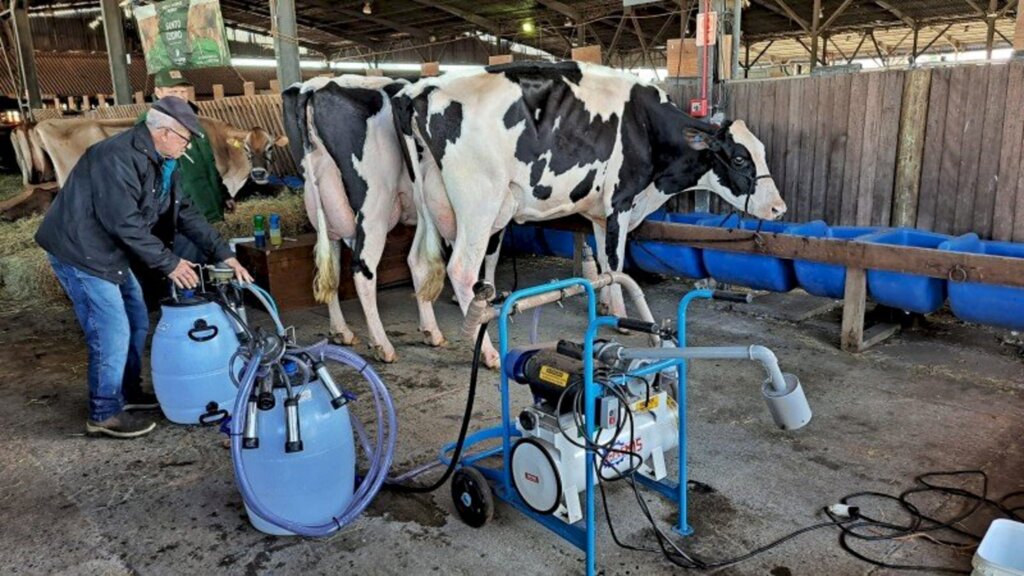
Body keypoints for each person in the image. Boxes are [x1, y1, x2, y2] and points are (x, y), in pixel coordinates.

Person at [35, 96, 254, 439]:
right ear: (164, 132)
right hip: (81, 252)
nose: (187, 145)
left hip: (110, 251)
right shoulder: (116, 157)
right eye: (185, 137)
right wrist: (169, 263)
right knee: (111, 330)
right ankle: (103, 412)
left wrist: (223, 253)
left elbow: (186, 213)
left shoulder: (166, 162)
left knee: (137, 319)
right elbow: (124, 223)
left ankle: (129, 393)